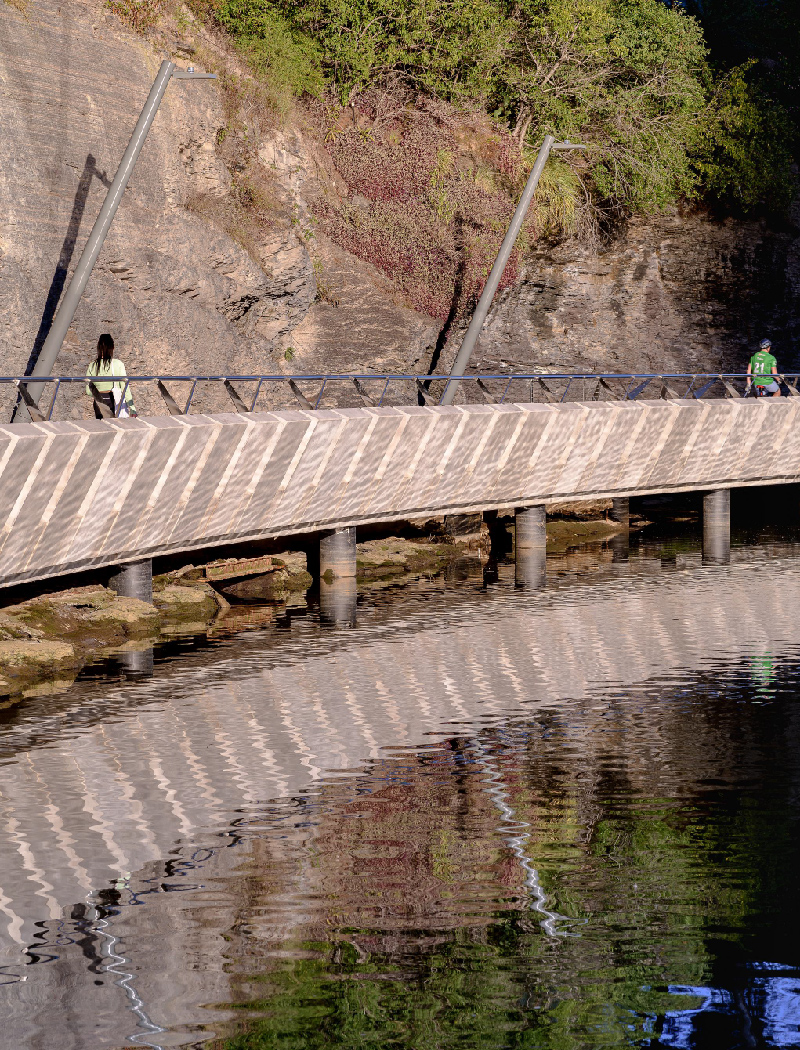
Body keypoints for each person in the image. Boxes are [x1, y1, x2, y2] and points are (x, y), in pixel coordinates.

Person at [85, 334, 137, 418]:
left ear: (98, 348)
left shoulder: (92, 365)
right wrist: (132, 407)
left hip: (98, 401)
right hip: (113, 399)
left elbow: (88, 391)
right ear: (112, 348)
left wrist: (99, 396)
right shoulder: (118, 364)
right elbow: (124, 387)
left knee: (103, 428)